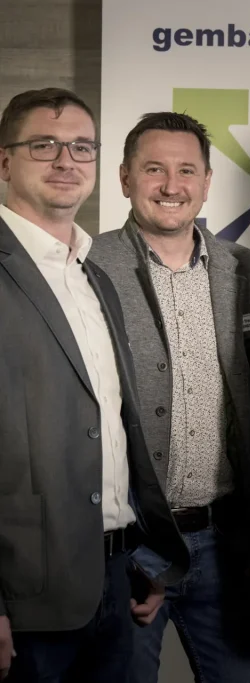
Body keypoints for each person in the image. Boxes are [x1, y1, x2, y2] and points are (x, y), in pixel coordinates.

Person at [0, 88, 188, 682]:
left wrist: (146, 557)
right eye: (44, 145)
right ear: (5, 161)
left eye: (81, 146)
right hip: (26, 596)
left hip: (118, 579)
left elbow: (111, 428)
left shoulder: (95, 274)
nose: (65, 160)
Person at [88, 111, 250, 683]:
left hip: (224, 543)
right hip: (129, 549)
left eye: (187, 170)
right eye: (154, 170)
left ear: (208, 182)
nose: (171, 185)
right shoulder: (88, 271)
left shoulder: (248, 272)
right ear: (123, 178)